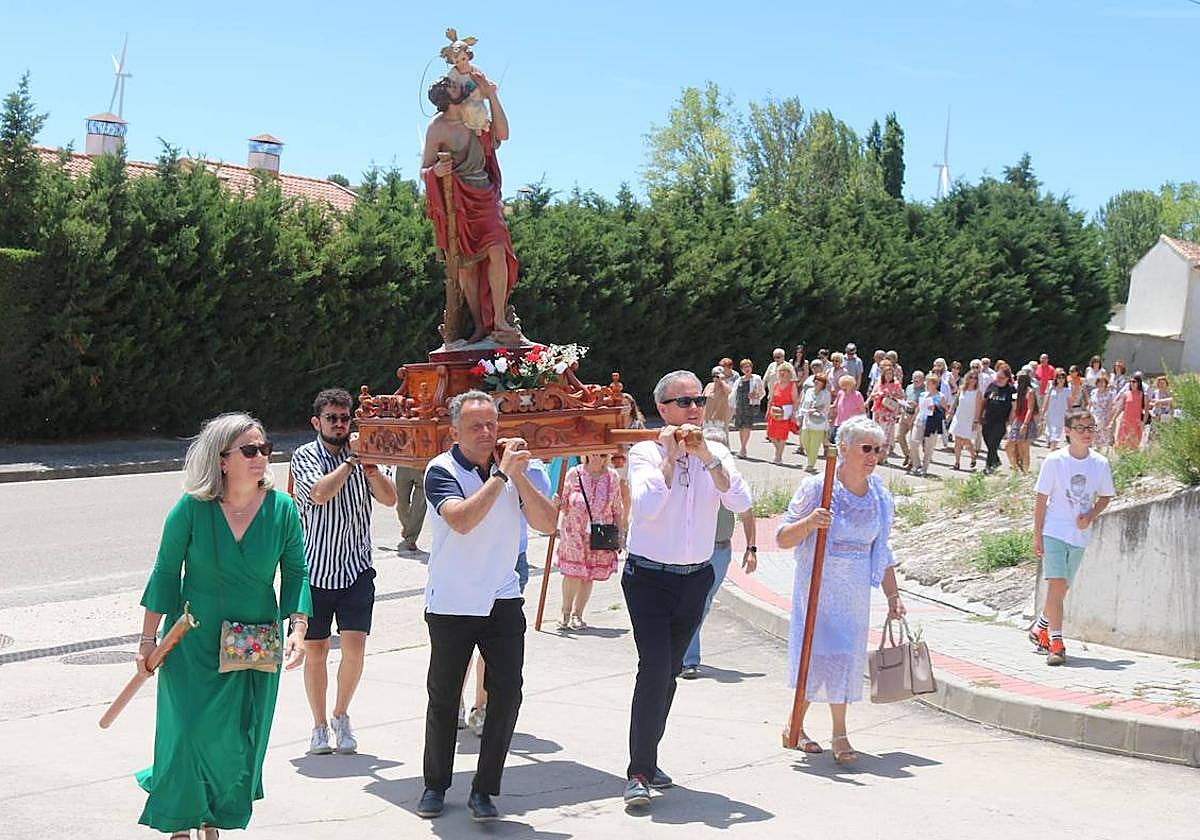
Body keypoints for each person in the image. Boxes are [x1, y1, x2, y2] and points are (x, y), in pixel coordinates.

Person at [135, 413, 312, 838]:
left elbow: (296, 572)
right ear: (222, 459)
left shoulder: (282, 508)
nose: (260, 458)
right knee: (189, 732)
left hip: (254, 640)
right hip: (191, 639)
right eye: (249, 450)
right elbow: (164, 572)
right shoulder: (192, 509)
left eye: (265, 449)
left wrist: (299, 628)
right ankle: (180, 820)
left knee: (237, 739)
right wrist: (145, 639)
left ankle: (212, 818)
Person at [417, 391, 557, 821]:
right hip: (453, 600)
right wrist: (500, 476)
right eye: (475, 426)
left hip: (502, 597)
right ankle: (436, 785)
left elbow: (549, 523)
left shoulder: (516, 472)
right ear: (454, 431)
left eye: (492, 425)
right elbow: (460, 520)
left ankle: (484, 789)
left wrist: (519, 478)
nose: (486, 433)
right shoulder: (440, 470)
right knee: (444, 699)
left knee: (507, 694)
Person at [621, 371, 752, 808]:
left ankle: (649, 757)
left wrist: (707, 460)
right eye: (682, 403)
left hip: (695, 577)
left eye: (697, 401)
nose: (692, 410)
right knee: (654, 668)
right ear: (662, 409)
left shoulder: (714, 452)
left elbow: (740, 502)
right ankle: (638, 771)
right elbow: (647, 506)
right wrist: (671, 457)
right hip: (649, 578)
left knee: (670, 671)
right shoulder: (643, 452)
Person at [777, 415, 906, 762]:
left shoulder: (880, 494)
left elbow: (884, 548)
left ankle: (826, 730)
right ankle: (811, 728)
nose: (872, 456)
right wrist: (810, 522)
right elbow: (782, 536)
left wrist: (893, 595)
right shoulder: (818, 487)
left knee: (844, 659)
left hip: (854, 593)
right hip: (819, 586)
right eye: (866, 448)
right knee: (819, 656)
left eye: (878, 450)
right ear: (844, 448)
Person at [291, 389, 398, 756]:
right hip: (316, 570)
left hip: (356, 568)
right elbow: (319, 494)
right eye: (332, 418)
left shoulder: (366, 453)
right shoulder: (304, 457)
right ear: (317, 422)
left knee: (355, 649)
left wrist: (369, 467)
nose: (339, 424)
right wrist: (351, 463)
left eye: (344, 417)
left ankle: (341, 715)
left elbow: (390, 498)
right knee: (316, 652)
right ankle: (319, 725)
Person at [421, 70, 517, 344]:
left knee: (498, 250)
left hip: (484, 196)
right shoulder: (437, 128)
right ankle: (480, 325)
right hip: (459, 202)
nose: (460, 85)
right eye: (453, 85)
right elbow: (424, 168)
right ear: (446, 96)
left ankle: (499, 319)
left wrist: (492, 96)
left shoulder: (473, 112)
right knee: (466, 267)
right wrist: (436, 171)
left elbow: (503, 133)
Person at [463, 456, 552, 736]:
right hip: (469, 558)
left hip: (513, 559)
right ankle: (453, 699)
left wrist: (516, 466)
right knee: (462, 640)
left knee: (494, 642)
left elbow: (543, 503)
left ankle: (482, 705)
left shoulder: (532, 467)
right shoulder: (467, 459)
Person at [1031, 409, 1114, 666]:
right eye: (1081, 428)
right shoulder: (1055, 461)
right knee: (1056, 586)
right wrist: (1037, 535)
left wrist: (1090, 514)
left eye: (1090, 428)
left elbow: (1106, 496)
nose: (1087, 433)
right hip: (1054, 531)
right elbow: (1041, 499)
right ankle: (1056, 643)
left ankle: (1040, 627)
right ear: (1068, 431)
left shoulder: (1099, 463)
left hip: (1079, 535)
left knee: (1061, 590)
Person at [681, 424, 758, 678]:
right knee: (694, 603)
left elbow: (747, 514)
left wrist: (751, 548)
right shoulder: (691, 480)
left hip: (720, 551)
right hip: (692, 551)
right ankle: (688, 659)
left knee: (702, 604)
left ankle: (683, 652)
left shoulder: (731, 480)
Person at [554, 453, 623, 630]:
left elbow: (617, 507)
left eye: (601, 454)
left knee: (588, 574)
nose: (596, 457)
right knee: (572, 572)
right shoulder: (574, 473)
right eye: (592, 453)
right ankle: (565, 612)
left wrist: (620, 534)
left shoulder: (612, 476)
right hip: (573, 530)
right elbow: (564, 503)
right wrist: (557, 503)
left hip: (599, 532)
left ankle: (578, 615)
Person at [911, 371, 952, 477]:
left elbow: (945, 411)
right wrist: (913, 418)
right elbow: (919, 408)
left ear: (934, 384)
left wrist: (935, 407)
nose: (926, 384)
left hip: (932, 423)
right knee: (913, 442)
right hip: (920, 421)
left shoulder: (940, 396)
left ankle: (924, 469)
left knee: (929, 447)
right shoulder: (922, 394)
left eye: (928, 383)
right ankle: (917, 465)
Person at [976, 367, 1015, 474]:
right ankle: (996, 460)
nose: (999, 379)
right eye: (998, 377)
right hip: (987, 419)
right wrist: (979, 416)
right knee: (988, 441)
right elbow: (984, 401)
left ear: (1007, 378)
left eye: (1001, 378)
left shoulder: (1011, 390)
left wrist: (1011, 423)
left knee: (993, 443)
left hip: (1001, 421)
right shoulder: (992, 386)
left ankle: (988, 466)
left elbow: (1014, 407)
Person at [1004, 370, 1039, 474]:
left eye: (1022, 379)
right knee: (1008, 446)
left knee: (1024, 449)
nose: (1019, 381)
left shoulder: (1030, 392)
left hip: (1026, 422)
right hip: (1018, 421)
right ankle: (1015, 468)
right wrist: (1010, 421)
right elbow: (1015, 409)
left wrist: (1025, 424)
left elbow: (1030, 409)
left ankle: (1025, 472)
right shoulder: (1018, 391)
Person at [868, 361, 903, 460]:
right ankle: (874, 454)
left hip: (888, 411)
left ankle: (883, 456)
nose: (889, 376)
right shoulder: (879, 382)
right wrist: (875, 396)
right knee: (875, 432)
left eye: (890, 374)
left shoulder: (896, 384)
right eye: (887, 374)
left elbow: (902, 396)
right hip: (878, 409)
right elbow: (873, 394)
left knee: (885, 434)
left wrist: (892, 396)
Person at [766, 361, 800, 464]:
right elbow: (771, 398)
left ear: (789, 373)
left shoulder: (792, 385)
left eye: (785, 371)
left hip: (786, 413)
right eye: (781, 371)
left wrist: (794, 414)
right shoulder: (776, 384)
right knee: (771, 435)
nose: (782, 373)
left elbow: (795, 400)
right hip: (774, 411)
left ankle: (778, 456)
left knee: (782, 436)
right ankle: (778, 451)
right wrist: (768, 410)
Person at [731, 358, 765, 458]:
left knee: (747, 427)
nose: (747, 369)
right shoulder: (739, 380)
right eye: (745, 367)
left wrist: (757, 396)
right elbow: (734, 394)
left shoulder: (756, 378)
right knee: (741, 427)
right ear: (741, 369)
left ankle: (743, 448)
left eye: (748, 366)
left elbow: (762, 392)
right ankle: (742, 446)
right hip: (740, 406)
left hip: (750, 406)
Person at [798, 373, 832, 472]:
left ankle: (810, 464)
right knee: (804, 441)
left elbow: (825, 408)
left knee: (814, 445)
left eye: (820, 380)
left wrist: (815, 409)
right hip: (807, 421)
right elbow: (804, 405)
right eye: (816, 379)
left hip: (819, 423)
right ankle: (811, 458)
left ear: (823, 383)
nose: (817, 381)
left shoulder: (826, 394)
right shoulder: (809, 391)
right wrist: (805, 412)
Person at [949, 368, 981, 470]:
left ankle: (973, 455)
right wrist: (950, 412)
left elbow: (978, 408)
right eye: (971, 377)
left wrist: (975, 421)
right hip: (959, 417)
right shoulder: (962, 389)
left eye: (975, 378)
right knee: (957, 440)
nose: (973, 379)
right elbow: (955, 402)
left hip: (969, 419)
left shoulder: (977, 393)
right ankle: (957, 462)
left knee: (966, 441)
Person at [394, 466, 428, 553]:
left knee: (419, 507)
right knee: (402, 504)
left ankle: (411, 538)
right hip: (404, 466)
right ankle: (408, 528)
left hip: (424, 466)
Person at [1114, 374, 1149, 451]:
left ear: (1138, 383)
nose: (1132, 383)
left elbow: (1146, 410)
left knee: (1134, 445)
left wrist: (1143, 422)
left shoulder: (1143, 395)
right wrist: (1113, 419)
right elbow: (1121, 408)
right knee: (1122, 444)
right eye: (1130, 382)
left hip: (1136, 423)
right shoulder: (1126, 394)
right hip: (1125, 422)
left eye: (1134, 382)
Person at [898, 370, 925, 469]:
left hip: (916, 416)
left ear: (922, 380)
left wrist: (916, 404)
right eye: (914, 379)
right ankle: (908, 455)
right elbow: (905, 397)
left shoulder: (924, 391)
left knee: (912, 440)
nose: (916, 382)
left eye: (918, 380)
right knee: (900, 436)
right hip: (905, 413)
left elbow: (923, 405)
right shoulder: (909, 387)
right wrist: (903, 403)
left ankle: (913, 462)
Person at [830, 373, 866, 445]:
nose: (843, 387)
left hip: (852, 424)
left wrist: (863, 423)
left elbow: (862, 411)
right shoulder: (840, 393)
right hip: (839, 423)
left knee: (850, 444)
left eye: (845, 385)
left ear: (851, 385)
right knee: (838, 443)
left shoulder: (857, 395)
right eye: (842, 385)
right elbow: (834, 405)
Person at [1088, 373, 1118, 452]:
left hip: (1102, 416)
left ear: (1106, 383)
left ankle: (1099, 452)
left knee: (1100, 436)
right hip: (1093, 415)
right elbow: (1090, 404)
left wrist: (1108, 420)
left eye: (1103, 382)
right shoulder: (1094, 392)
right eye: (1099, 382)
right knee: (1093, 435)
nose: (1101, 384)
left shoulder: (1109, 394)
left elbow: (1110, 408)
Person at [1043, 369, 1070, 450]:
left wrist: (1070, 414)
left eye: (1063, 378)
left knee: (1057, 430)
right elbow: (1046, 399)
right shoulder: (1051, 388)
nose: (1061, 379)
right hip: (1051, 412)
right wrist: (1043, 411)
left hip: (1061, 413)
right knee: (1049, 429)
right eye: (1059, 377)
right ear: (1056, 379)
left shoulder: (1067, 390)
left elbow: (1069, 403)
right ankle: (1051, 443)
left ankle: (1053, 448)